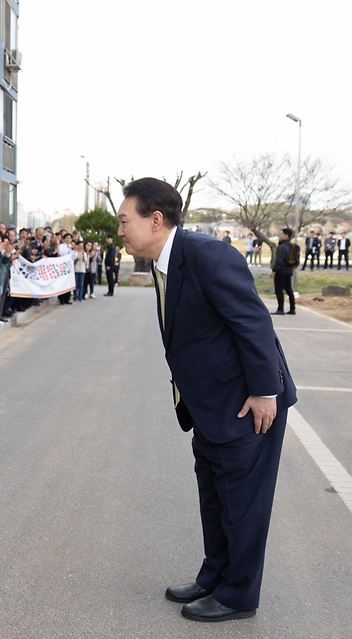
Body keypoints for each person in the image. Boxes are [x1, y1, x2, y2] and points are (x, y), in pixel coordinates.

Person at [117, 177, 296, 623]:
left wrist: (263, 392)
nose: (119, 230)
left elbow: (253, 324)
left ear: (155, 220)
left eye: (124, 220)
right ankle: (215, 575)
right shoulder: (167, 263)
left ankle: (238, 595)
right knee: (215, 498)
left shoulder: (208, 256)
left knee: (243, 505)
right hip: (209, 407)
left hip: (245, 405)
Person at [271, 228, 297, 316]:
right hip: (289, 270)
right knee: (289, 290)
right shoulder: (292, 246)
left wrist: (274, 270)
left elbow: (279, 260)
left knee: (279, 290)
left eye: (282, 234)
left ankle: (280, 309)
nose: (280, 235)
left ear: (286, 235)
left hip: (281, 271)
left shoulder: (283, 247)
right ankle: (292, 308)